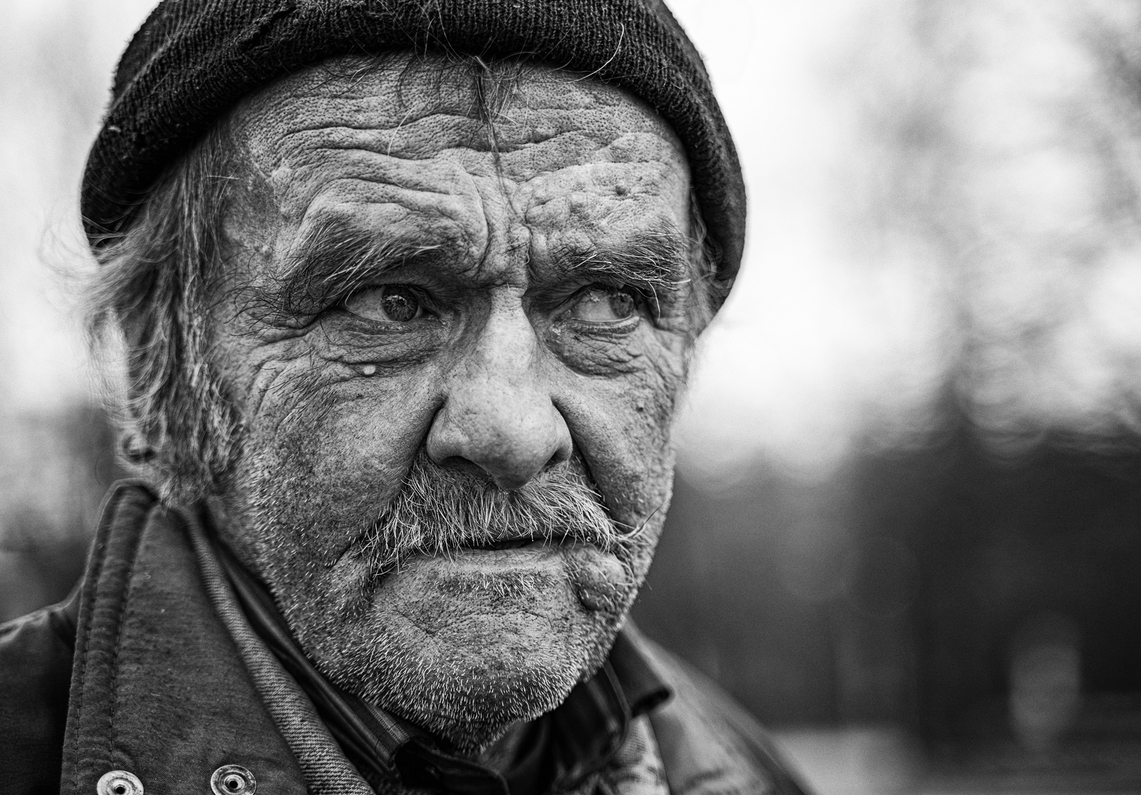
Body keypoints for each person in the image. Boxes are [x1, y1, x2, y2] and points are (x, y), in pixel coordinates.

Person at [0, 1, 807, 793]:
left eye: (606, 300)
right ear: (161, 367)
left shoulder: (741, 770)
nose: (512, 432)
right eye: (391, 301)